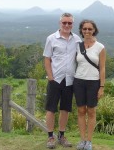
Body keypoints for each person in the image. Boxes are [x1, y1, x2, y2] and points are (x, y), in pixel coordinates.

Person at [43, 12, 81, 149]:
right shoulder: (51, 38)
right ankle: (50, 137)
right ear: (60, 23)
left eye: (69, 23)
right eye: (64, 22)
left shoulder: (77, 40)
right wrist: (51, 77)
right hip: (55, 79)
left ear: (72, 24)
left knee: (65, 109)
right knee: (51, 109)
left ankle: (61, 135)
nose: (66, 25)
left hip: (70, 80)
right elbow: (47, 59)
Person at [73, 19, 106, 150]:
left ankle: (89, 141)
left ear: (94, 30)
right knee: (81, 110)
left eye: (90, 29)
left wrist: (102, 87)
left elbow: (102, 68)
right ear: (81, 30)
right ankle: (82, 140)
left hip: (94, 82)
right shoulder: (77, 46)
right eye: (84, 29)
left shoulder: (100, 47)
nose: (87, 31)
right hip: (79, 81)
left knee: (91, 111)